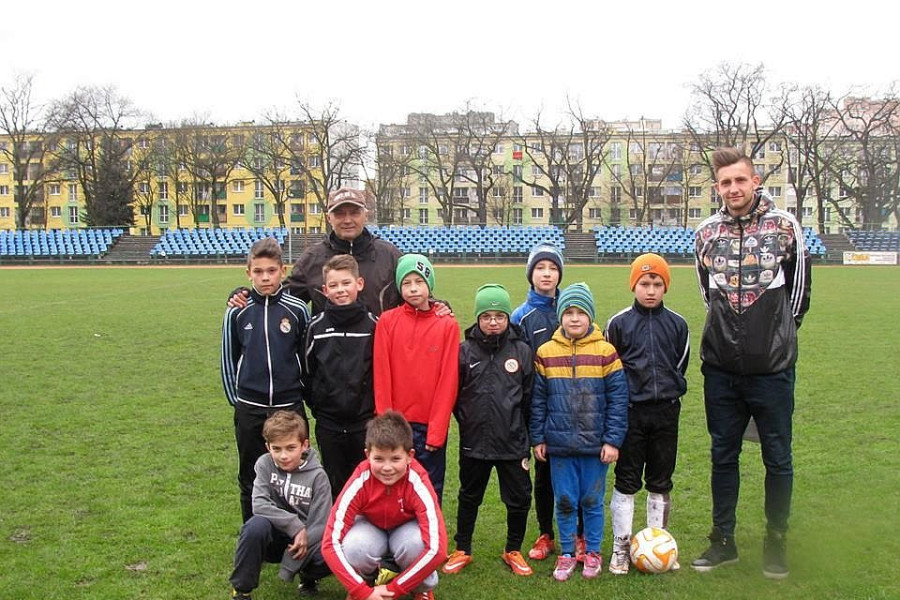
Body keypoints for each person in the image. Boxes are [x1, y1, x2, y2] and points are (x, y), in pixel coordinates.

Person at [691, 147, 811, 580]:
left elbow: (798, 298)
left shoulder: (785, 227)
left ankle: (775, 540)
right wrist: (732, 342)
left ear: (755, 181)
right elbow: (709, 297)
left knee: (778, 457)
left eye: (740, 180)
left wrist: (771, 342)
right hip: (721, 370)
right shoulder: (706, 233)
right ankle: (723, 540)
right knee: (723, 455)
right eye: (725, 182)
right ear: (717, 188)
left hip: (772, 370)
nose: (733, 188)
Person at [529, 282, 630, 581]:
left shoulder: (606, 352)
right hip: (559, 445)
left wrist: (612, 440)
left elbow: (618, 400)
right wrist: (538, 437)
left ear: (590, 316)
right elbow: (538, 400)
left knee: (591, 501)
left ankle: (593, 551)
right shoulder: (546, 352)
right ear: (560, 316)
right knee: (565, 501)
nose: (574, 318)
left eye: (581, 312)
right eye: (569, 312)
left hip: (594, 446)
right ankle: (567, 553)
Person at [604, 253, 690, 575]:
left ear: (665, 286)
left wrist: (667, 388)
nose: (650, 290)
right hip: (631, 413)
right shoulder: (618, 324)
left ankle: (659, 545)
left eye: (656, 283)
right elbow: (611, 369)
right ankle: (621, 548)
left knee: (660, 481)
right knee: (626, 481)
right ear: (634, 286)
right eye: (644, 283)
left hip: (666, 412)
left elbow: (680, 364)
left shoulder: (678, 324)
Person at [442, 284, 535, 577]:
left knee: (519, 498)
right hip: (475, 442)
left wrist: (521, 431)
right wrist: (469, 421)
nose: (493, 322)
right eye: (486, 316)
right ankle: (463, 548)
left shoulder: (522, 350)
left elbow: (529, 397)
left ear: (507, 317)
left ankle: (513, 549)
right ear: (478, 318)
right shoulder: (464, 351)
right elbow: (454, 397)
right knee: (469, 495)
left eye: (499, 316)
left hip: (513, 442)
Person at [222, 237, 311, 522]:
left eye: (271, 271)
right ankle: (253, 533)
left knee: (296, 475)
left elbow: (306, 358)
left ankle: (295, 533)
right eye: (258, 271)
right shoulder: (237, 310)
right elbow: (228, 358)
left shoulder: (298, 310)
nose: (265, 277)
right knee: (251, 474)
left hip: (288, 405)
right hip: (251, 407)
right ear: (248, 273)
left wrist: (300, 394)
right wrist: (238, 400)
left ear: (282, 271)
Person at [322, 410, 448, 600]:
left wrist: (395, 589)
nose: (387, 467)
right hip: (371, 526)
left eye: (395, 459)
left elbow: (437, 549)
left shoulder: (417, 481)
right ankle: (366, 583)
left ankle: (421, 588)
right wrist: (361, 591)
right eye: (379, 459)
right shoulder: (361, 479)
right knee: (354, 547)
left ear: (410, 456)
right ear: (367, 455)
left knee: (417, 544)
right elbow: (329, 543)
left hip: (406, 528)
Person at [230, 187, 401, 317]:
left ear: (366, 215)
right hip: (330, 352)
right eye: (339, 214)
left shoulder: (389, 255)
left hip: (380, 349)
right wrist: (246, 295)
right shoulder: (312, 258)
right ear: (329, 217)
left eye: (355, 213)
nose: (348, 220)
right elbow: (280, 297)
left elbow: (413, 298)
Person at [373, 254, 459, 505]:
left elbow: (448, 381)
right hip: (397, 424)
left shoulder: (447, 325)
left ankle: (428, 531)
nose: (413, 289)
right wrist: (386, 423)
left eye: (419, 282)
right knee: (393, 490)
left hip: (429, 426)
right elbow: (382, 375)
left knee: (429, 490)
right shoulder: (387, 322)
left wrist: (437, 430)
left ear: (429, 284)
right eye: (406, 283)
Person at [230, 410, 332, 599]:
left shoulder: (318, 476)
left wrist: (293, 556)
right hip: (276, 534)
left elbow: (321, 524)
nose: (283, 456)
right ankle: (241, 589)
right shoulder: (264, 464)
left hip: (307, 540)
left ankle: (308, 577)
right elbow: (259, 504)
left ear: (304, 445)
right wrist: (295, 526)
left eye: (290, 448)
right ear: (268, 447)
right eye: (276, 449)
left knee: (330, 552)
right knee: (254, 527)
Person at [510, 243, 570, 561]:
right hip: (536, 408)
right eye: (540, 268)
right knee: (544, 473)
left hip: (570, 407)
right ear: (530, 274)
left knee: (573, 472)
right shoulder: (521, 316)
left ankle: (579, 535)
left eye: (553, 268)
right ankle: (546, 532)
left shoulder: (572, 310)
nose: (547, 274)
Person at [303, 254, 378, 500]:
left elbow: (380, 370)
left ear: (359, 284)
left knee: (365, 484)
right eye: (333, 285)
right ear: (325, 290)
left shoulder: (373, 326)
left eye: (346, 283)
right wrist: (320, 405)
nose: (340, 290)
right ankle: (335, 524)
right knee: (334, 485)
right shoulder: (316, 327)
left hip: (364, 422)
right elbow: (308, 371)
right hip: (329, 423)